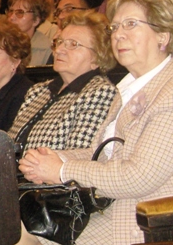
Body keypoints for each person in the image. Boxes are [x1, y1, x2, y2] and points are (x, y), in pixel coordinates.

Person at [0, 0, 173, 245]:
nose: (119, 34)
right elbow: (100, 152)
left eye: (131, 24)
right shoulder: (129, 88)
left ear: (163, 35)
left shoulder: (168, 92)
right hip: (111, 207)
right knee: (11, 236)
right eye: (115, 27)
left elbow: (138, 176)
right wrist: (54, 158)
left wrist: (62, 170)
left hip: (146, 222)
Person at [7, 11, 117, 153]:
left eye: (73, 44)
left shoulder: (100, 93)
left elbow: (77, 155)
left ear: (98, 56)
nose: (59, 50)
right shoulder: (39, 90)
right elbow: (10, 142)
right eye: (59, 42)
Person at [7, 0, 54, 66]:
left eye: (20, 12)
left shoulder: (46, 50)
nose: (11, 17)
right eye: (11, 11)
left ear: (36, 20)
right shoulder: (1, 43)